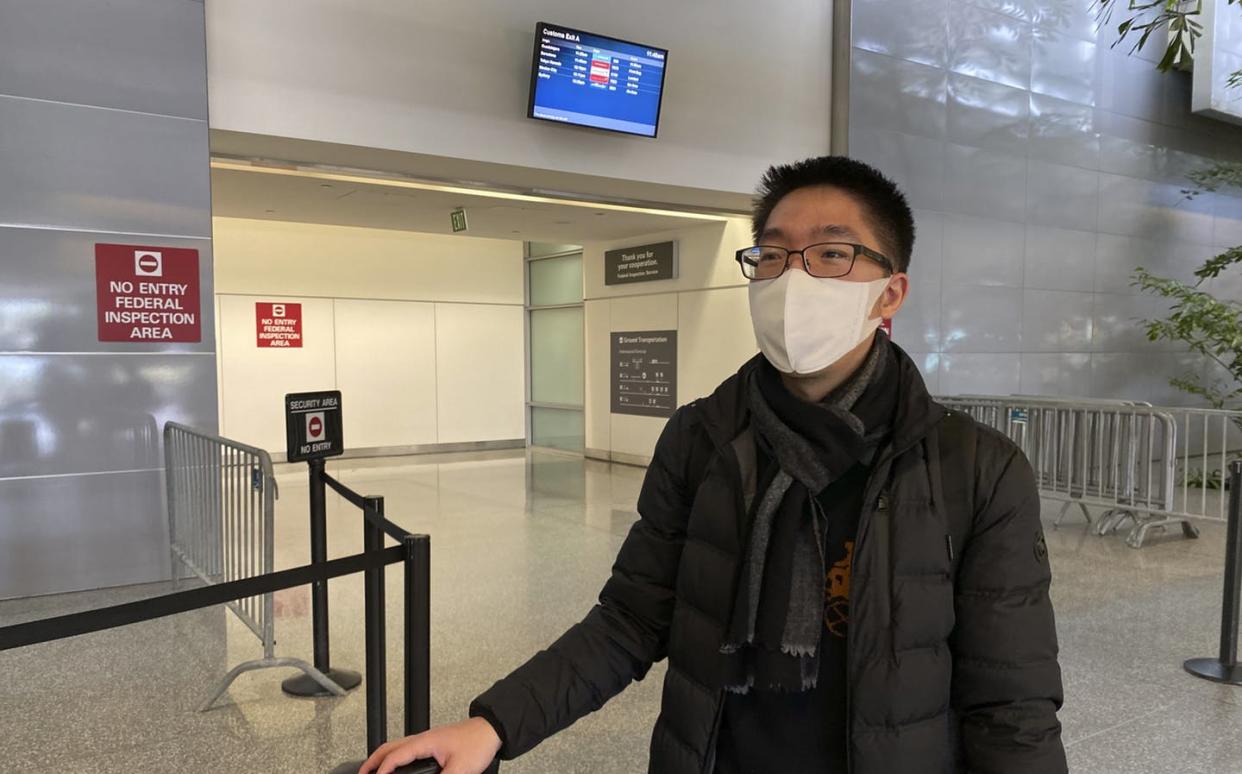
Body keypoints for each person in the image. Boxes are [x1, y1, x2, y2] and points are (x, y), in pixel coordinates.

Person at [361, 156, 1067, 774]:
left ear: (889, 294)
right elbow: (632, 620)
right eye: (772, 254)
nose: (792, 277)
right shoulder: (704, 439)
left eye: (830, 255)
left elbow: (1010, 701)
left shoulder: (975, 468)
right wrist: (494, 723)